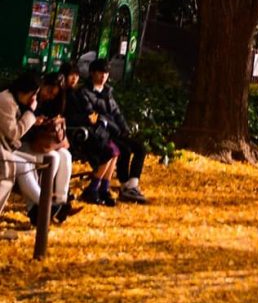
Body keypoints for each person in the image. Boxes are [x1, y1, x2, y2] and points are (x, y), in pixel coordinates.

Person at [0, 72, 72, 225]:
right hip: (10, 149)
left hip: (12, 148)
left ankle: (55, 202)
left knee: (61, 156)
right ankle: (46, 206)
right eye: (34, 94)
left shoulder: (15, 100)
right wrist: (31, 115)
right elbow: (14, 134)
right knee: (37, 162)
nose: (35, 99)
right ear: (24, 91)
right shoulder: (6, 101)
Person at [83, 58, 149, 203]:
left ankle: (131, 184)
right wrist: (111, 125)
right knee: (123, 150)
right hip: (102, 133)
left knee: (140, 149)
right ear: (92, 73)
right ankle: (123, 185)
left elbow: (116, 112)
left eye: (106, 73)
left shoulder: (108, 92)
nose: (104, 76)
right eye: (100, 73)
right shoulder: (86, 93)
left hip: (116, 131)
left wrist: (124, 128)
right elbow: (94, 116)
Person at [64, 62, 120, 206]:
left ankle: (103, 188)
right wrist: (88, 119)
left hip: (91, 130)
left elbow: (110, 112)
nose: (74, 79)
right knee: (111, 151)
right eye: (71, 75)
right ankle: (93, 188)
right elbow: (73, 116)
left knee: (116, 151)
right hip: (79, 133)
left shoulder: (76, 93)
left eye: (76, 75)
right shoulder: (70, 94)